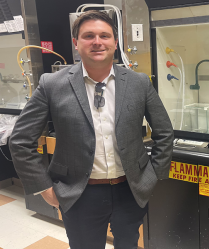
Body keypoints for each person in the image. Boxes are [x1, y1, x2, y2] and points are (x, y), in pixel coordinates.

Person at [9, 10, 173, 249]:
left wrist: (151, 178)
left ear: (115, 43)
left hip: (130, 190)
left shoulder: (139, 82)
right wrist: (44, 188)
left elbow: (164, 133)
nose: (97, 42)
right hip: (78, 193)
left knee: (128, 244)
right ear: (76, 43)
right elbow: (21, 141)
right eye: (89, 36)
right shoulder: (52, 84)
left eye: (104, 36)